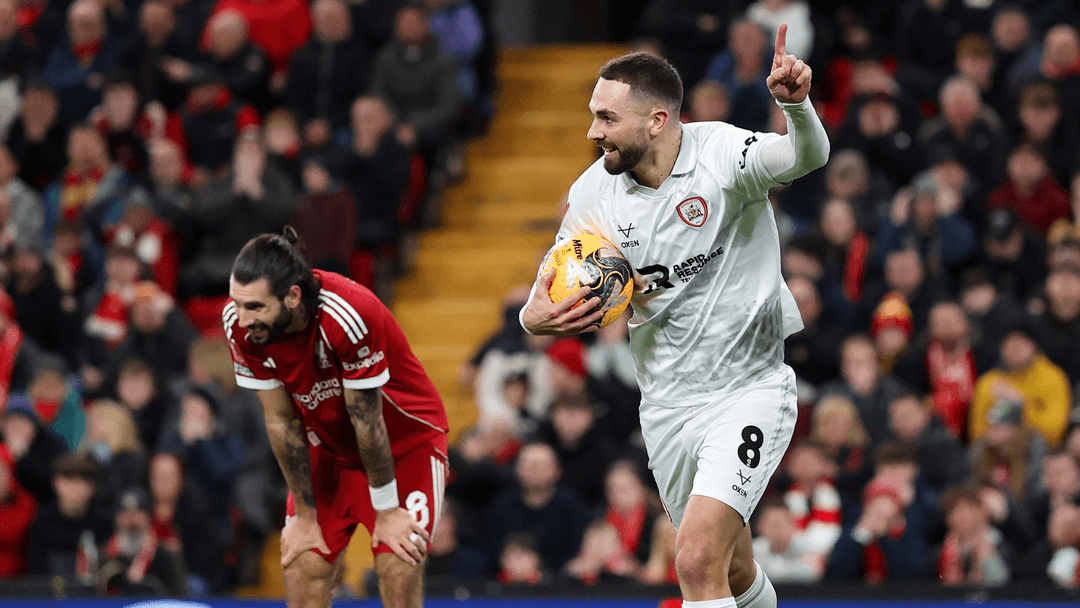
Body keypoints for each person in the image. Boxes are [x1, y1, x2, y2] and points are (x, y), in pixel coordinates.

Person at [520, 25, 828, 608]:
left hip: (749, 388)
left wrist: (798, 108)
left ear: (657, 121)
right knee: (733, 570)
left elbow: (805, 156)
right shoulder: (592, 196)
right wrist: (535, 320)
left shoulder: (723, 156)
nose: (593, 131)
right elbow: (547, 291)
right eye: (593, 115)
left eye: (607, 118)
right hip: (665, 406)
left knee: (693, 558)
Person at [224, 228, 449, 608]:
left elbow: (367, 419)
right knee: (302, 566)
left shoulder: (349, 312)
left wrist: (389, 509)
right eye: (238, 303)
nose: (243, 319)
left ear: (293, 296)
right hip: (328, 451)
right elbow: (281, 421)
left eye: (256, 307)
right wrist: (305, 515)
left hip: (404, 448)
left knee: (398, 566)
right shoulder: (240, 325)